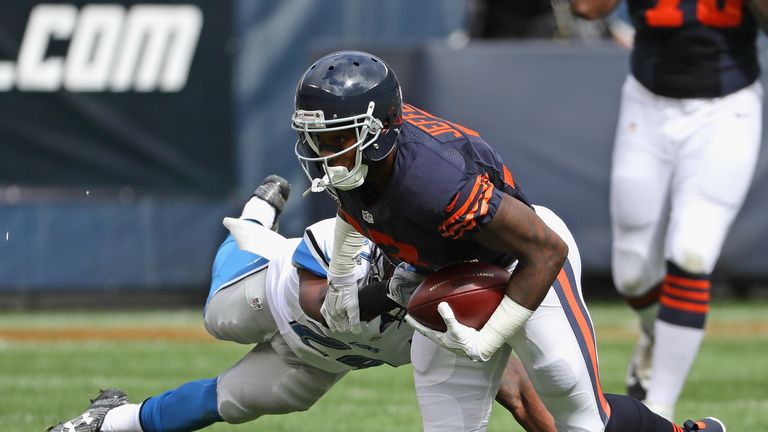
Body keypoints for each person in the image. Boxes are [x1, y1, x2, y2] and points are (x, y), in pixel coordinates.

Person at [292, 50, 725, 431]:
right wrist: (342, 281)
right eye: (314, 137)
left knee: (581, 419)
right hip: (446, 282)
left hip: (522, 264)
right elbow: (353, 205)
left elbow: (546, 248)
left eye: (337, 138)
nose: (323, 151)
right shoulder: (353, 158)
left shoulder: (436, 181)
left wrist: (490, 335)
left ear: (383, 127)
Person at [48, 176, 556, 432]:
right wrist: (388, 293)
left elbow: (518, 396)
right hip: (273, 295)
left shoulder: (460, 312)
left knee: (231, 401)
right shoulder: (349, 241)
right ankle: (254, 218)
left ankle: (109, 422)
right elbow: (321, 304)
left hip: (321, 359)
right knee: (219, 319)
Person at [571, 0, 766, 420]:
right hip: (649, 104)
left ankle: (658, 407)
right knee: (633, 273)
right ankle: (655, 333)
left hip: (726, 107)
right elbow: (587, 8)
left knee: (693, 250)